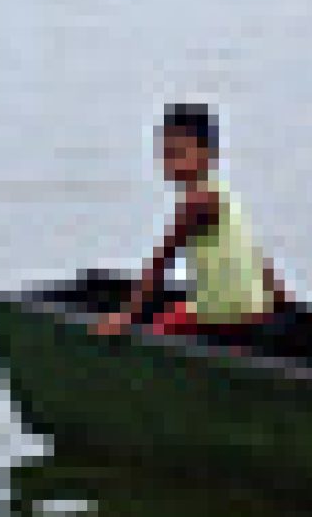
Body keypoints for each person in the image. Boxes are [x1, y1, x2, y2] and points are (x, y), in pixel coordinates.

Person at [96, 104, 287, 343]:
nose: (170, 163)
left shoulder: (197, 201)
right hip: (253, 309)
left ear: (208, 155)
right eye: (165, 154)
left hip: (222, 313)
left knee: (157, 329)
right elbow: (254, 255)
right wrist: (277, 297)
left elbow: (161, 260)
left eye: (179, 154)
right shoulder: (223, 196)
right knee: (181, 307)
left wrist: (126, 315)